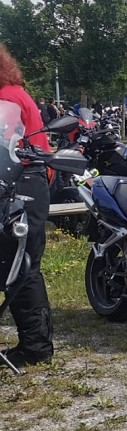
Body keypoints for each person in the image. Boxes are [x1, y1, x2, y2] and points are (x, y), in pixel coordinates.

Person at [0, 43, 54, 368]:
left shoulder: (7, 98)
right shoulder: (13, 92)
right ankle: (36, 344)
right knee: (18, 263)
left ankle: (36, 347)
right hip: (27, 180)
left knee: (20, 264)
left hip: (21, 183)